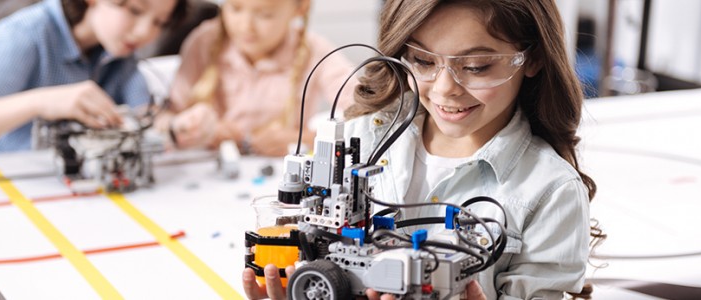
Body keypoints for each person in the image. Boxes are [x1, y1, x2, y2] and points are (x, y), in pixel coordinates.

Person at [243, 0, 599, 299]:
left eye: (476, 67)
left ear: (532, 59)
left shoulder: (551, 192)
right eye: (424, 61)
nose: (445, 89)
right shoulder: (359, 138)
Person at [0, 0, 188, 154]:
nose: (145, 32)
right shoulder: (24, 36)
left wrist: (179, 126)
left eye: (160, 23)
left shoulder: (119, 49)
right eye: (134, 10)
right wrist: (42, 102)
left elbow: (145, 113)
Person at [162, 0, 356, 156]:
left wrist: (308, 139)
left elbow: (366, 113)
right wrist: (183, 127)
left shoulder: (315, 51)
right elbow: (164, 118)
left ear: (300, 7)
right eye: (235, 8)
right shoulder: (203, 41)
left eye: (265, 15)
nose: (246, 26)